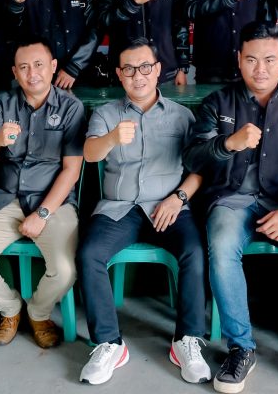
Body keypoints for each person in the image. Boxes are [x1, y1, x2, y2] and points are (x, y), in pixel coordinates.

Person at [184, 22, 278, 394]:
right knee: (222, 247)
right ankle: (241, 347)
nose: (261, 69)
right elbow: (193, 158)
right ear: (239, 59)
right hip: (231, 199)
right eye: (252, 59)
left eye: (270, 60)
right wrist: (227, 144)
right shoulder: (218, 104)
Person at [76, 39, 210, 386]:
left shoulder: (182, 116)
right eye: (130, 69)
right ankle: (109, 344)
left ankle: (186, 341)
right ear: (120, 75)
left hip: (168, 207)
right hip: (118, 209)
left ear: (158, 70)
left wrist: (179, 198)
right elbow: (89, 153)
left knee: (195, 251)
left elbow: (200, 169)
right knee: (89, 253)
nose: (138, 75)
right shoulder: (106, 114)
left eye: (145, 67)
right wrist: (111, 139)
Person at [0, 39, 85, 348]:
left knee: (65, 270)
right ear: (15, 72)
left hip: (53, 202)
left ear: (53, 67)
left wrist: (42, 214)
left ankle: (38, 313)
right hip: (6, 199)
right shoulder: (2, 104)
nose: (32, 74)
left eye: (39, 65)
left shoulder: (71, 107)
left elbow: (72, 170)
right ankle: (10, 307)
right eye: (24, 67)